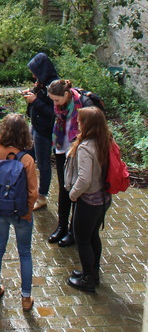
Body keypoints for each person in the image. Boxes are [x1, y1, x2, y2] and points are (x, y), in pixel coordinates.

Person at [0, 113, 37, 311]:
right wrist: (27, 211)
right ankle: (26, 298)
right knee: (25, 253)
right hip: (21, 212)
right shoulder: (27, 159)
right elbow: (33, 192)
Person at [63, 106, 112, 293]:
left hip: (89, 201)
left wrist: (72, 195)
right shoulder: (105, 141)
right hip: (103, 198)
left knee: (82, 239)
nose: (77, 122)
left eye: (80, 120)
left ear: (87, 124)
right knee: (93, 236)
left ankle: (88, 280)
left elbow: (84, 179)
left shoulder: (86, 147)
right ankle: (92, 272)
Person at [47, 79, 86, 247]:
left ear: (66, 94)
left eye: (56, 100)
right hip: (62, 148)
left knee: (76, 191)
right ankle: (61, 226)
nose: (54, 104)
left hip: (77, 152)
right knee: (64, 188)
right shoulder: (60, 106)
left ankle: (73, 230)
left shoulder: (83, 104)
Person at [22, 53, 58, 210]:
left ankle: (42, 195)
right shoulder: (42, 82)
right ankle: (28, 188)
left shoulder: (55, 86)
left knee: (43, 163)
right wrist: (32, 92)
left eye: (34, 71)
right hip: (35, 125)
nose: (32, 74)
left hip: (44, 130)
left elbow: (53, 113)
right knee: (28, 156)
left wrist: (35, 101)